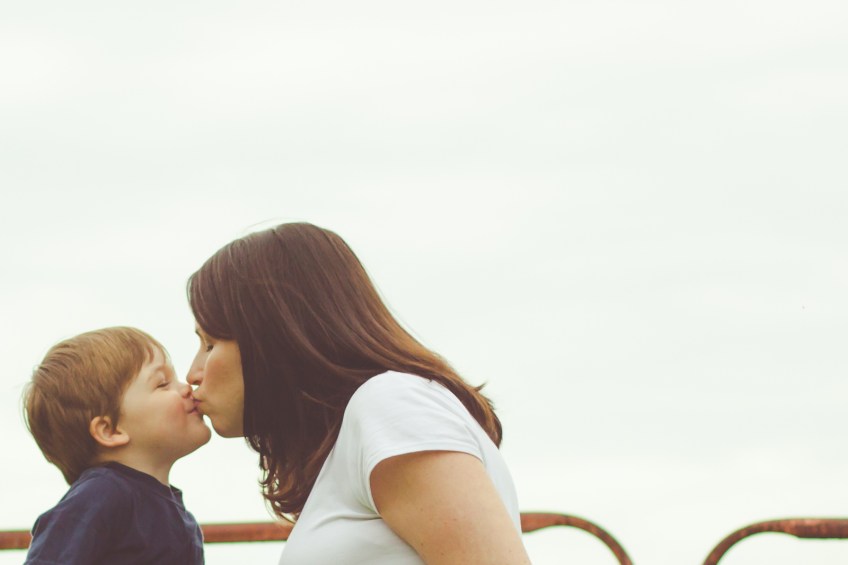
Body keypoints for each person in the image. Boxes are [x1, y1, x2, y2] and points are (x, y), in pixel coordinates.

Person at [186, 222, 531, 564]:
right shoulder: (365, 428)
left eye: (210, 344)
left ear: (272, 336)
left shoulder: (390, 404)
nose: (193, 374)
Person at [23, 326, 211, 565]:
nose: (185, 387)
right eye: (162, 383)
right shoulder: (101, 495)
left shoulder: (176, 515)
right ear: (110, 431)